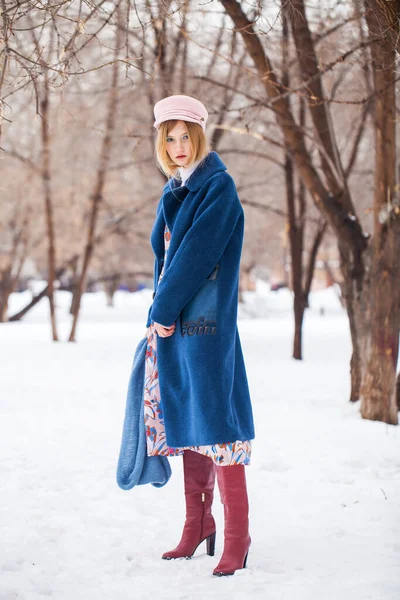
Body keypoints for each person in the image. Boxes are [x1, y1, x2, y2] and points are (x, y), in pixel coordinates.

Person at [144, 94, 255, 577]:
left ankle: (237, 536)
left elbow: (195, 257)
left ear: (199, 136)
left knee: (220, 425)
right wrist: (161, 316)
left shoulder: (218, 189)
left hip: (206, 328)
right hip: (173, 328)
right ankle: (198, 526)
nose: (177, 146)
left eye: (184, 136)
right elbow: (165, 259)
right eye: (169, 138)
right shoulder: (175, 190)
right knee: (187, 420)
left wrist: (161, 308)